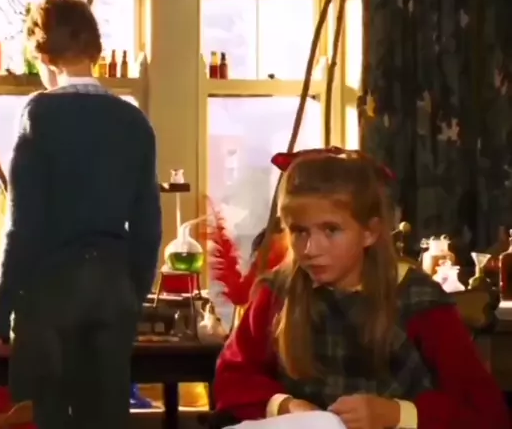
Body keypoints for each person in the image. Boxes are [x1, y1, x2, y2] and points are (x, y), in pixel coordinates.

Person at [212, 148, 509, 429]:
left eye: (331, 230)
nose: (310, 249)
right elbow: (232, 377)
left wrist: (394, 414)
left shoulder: (418, 302)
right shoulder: (278, 293)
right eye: (299, 231)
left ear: (370, 232)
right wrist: (286, 406)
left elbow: (487, 413)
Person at [0, 0, 162, 429]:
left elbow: (23, 227)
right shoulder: (133, 121)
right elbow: (149, 226)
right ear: (95, 51)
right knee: (106, 418)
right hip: (113, 291)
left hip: (50, 293)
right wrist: (131, 293)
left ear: (43, 56)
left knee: (43, 417)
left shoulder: (40, 113)